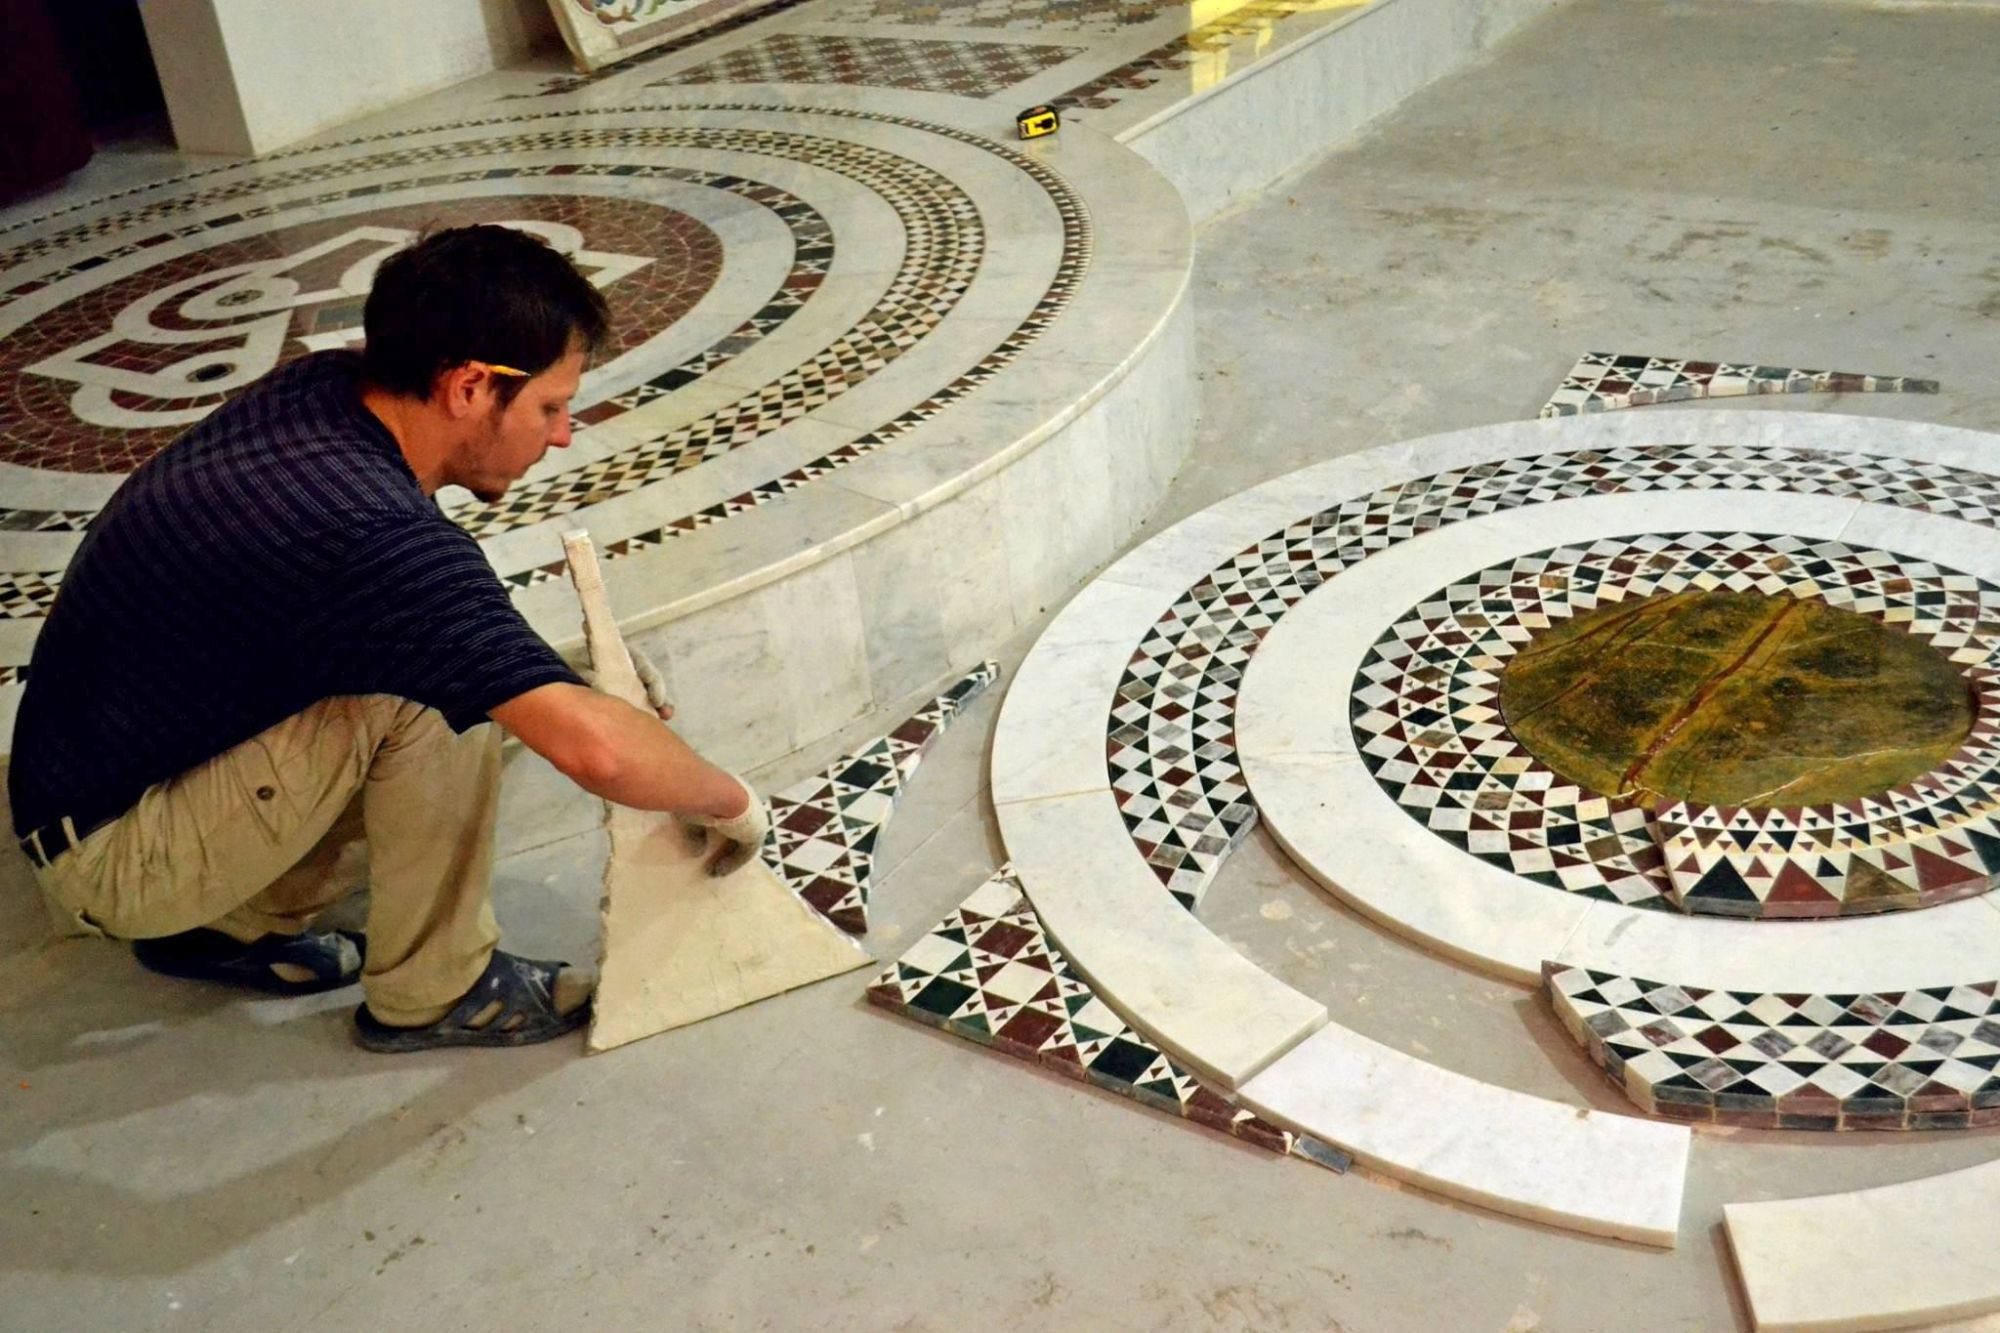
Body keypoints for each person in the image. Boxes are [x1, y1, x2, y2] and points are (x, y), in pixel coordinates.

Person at [8, 224, 768, 1052]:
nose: (561, 435)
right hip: (119, 858)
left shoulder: (323, 394)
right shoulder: (367, 531)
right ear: (469, 386)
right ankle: (437, 990)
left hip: (99, 802)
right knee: (441, 699)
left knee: (513, 672)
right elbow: (598, 753)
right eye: (549, 406)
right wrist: (732, 803)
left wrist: (579, 683)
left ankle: (223, 925)